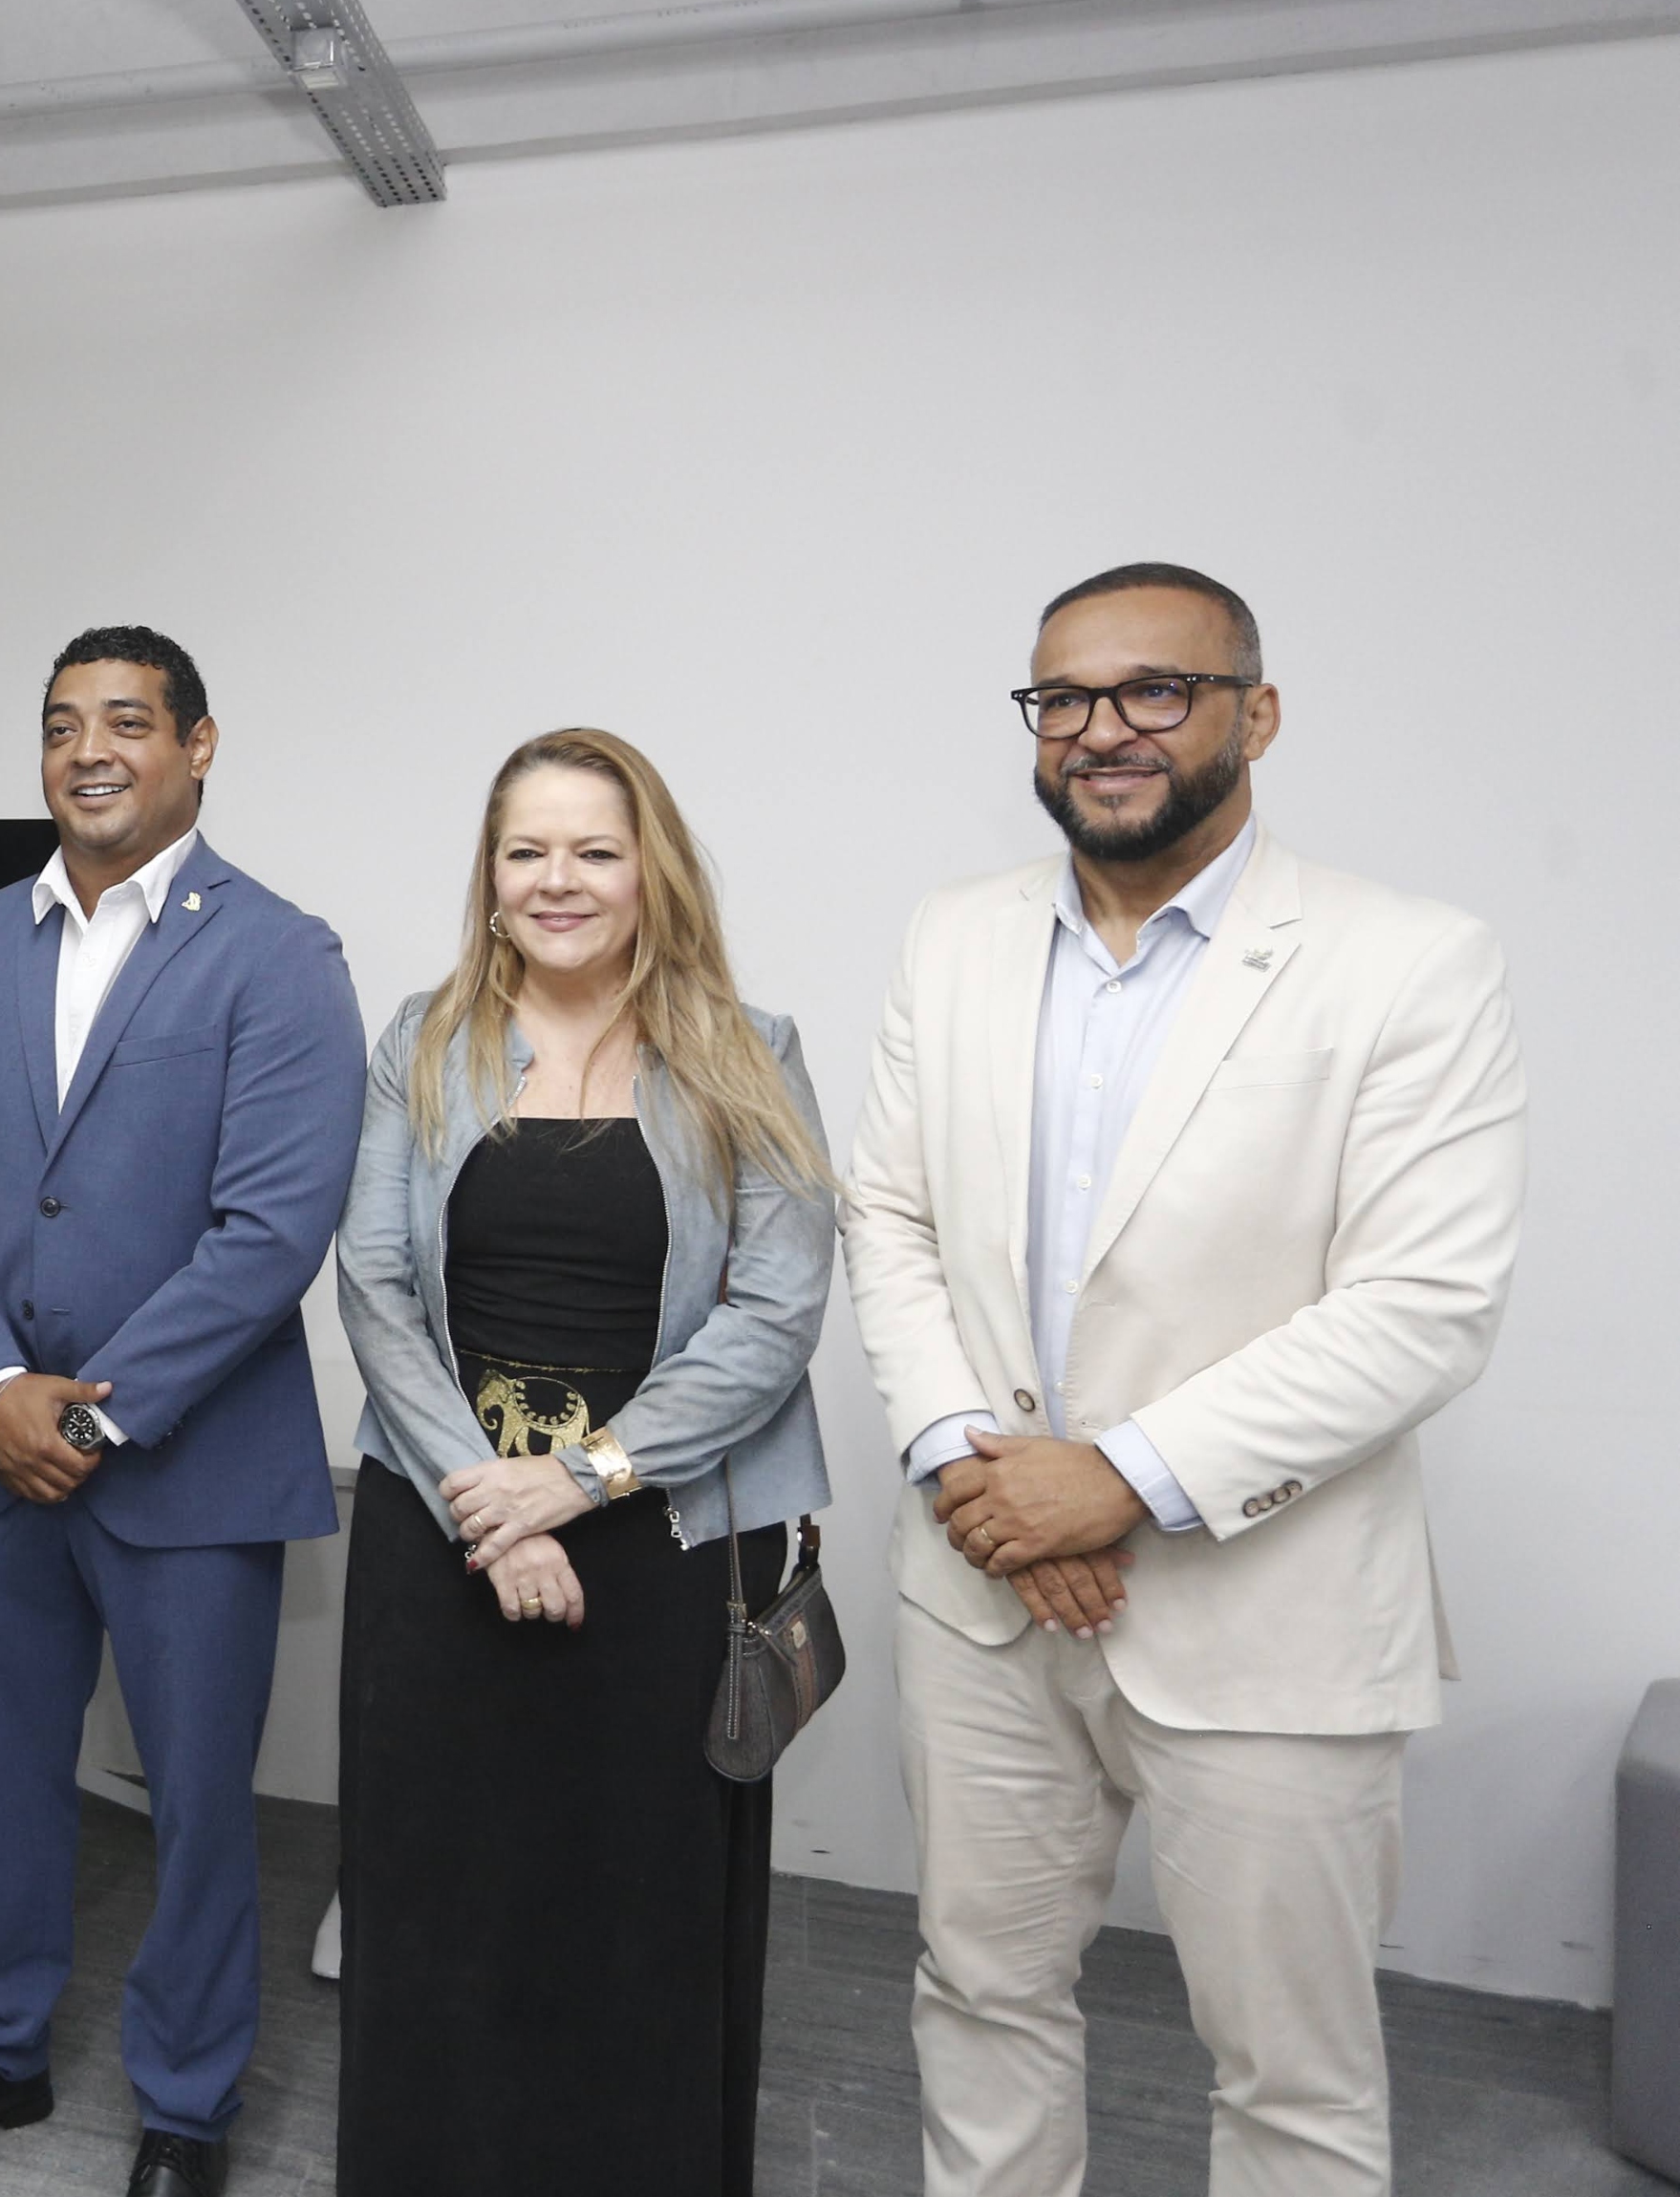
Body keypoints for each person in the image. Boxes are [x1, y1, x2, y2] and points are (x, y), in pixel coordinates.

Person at [845, 563, 1524, 2195]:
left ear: (1255, 713)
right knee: (981, 1998)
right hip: (984, 1593)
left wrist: (1122, 1473)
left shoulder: (1410, 962)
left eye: (1156, 690)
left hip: (1268, 1618)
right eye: (1064, 698)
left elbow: (1425, 1302)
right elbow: (890, 1215)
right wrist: (972, 1469)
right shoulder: (955, 936)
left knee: (1289, 2077)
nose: (1104, 729)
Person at [0, 628, 362, 2197]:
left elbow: (275, 1228)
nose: (89, 750)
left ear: (198, 747)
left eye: (127, 723)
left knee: (201, 1808)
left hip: (189, 1467)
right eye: (61, 723)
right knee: (2, 1779)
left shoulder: (281, 950)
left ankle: (188, 2106)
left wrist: (91, 1418)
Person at [330, 729, 837, 2196]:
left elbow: (775, 1312)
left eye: (594, 850)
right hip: (445, 1536)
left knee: (635, 1916)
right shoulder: (421, 1038)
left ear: (650, 870)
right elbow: (372, 1287)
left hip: (665, 1551)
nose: (559, 880)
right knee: (436, 1905)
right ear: (490, 879)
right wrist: (496, 1513)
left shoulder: (751, 1051)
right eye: (527, 850)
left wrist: (579, 1479)